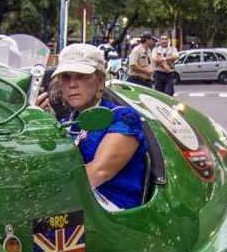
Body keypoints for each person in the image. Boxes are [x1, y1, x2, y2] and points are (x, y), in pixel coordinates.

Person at [34, 43, 149, 211]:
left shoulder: (123, 117)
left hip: (113, 213)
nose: (72, 84)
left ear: (100, 80)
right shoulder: (65, 123)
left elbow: (99, 173)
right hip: (72, 207)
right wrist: (36, 124)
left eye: (81, 76)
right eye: (66, 77)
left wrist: (45, 193)